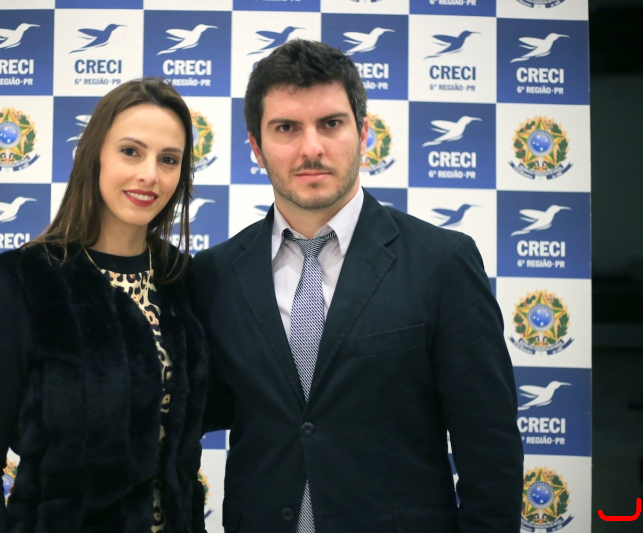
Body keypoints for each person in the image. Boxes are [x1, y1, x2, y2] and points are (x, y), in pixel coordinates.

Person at [190, 40, 523, 532]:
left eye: (331, 123)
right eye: (286, 128)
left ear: (363, 134)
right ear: (256, 148)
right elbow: (189, 419)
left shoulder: (443, 262)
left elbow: (490, 448)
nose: (311, 148)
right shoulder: (213, 274)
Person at [0, 78, 208, 533]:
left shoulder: (182, 279)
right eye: (131, 151)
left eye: (168, 159)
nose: (149, 174)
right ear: (93, 155)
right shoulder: (25, 280)